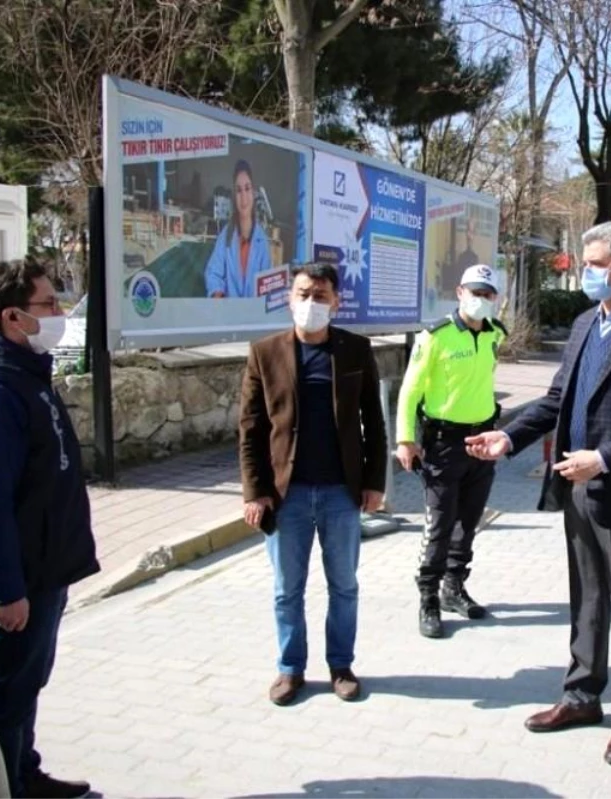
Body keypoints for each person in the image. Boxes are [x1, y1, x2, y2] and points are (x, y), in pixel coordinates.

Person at [466, 222, 611, 767]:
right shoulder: (587, 321)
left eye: (596, 264)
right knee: (587, 599)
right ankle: (581, 696)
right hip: (576, 489)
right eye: (585, 262)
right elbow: (557, 398)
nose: (587, 272)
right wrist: (510, 434)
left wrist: (606, 458)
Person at [0, 258, 99, 799]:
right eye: (49, 304)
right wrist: (6, 590)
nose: (59, 313)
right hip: (19, 582)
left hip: (43, 568)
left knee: (27, 684)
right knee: (9, 694)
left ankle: (23, 776)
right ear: (13, 317)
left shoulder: (26, 374)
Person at [238, 263, 387, 706]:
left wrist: (375, 482)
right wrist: (255, 491)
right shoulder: (264, 353)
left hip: (342, 492)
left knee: (344, 584)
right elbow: (250, 428)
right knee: (288, 589)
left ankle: (341, 665)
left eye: (321, 296)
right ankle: (290, 668)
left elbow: (373, 424)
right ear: (289, 298)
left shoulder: (356, 351)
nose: (311, 303)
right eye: (303, 294)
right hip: (288, 495)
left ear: (336, 302)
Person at [395, 264, 506, 638]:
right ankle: (428, 597)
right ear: (460, 292)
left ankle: (453, 588)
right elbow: (410, 391)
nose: (481, 300)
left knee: (469, 521)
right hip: (443, 443)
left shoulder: (495, 335)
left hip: (483, 441)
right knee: (440, 524)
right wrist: (405, 440)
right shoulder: (436, 337)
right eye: (475, 292)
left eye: (488, 294)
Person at [205, 159, 274, 298]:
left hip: (254, 317)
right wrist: (218, 294)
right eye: (238, 190)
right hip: (229, 317)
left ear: (253, 193)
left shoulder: (262, 241)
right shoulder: (226, 237)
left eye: (247, 188)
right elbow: (213, 273)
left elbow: (268, 285)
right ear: (234, 196)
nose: (243, 197)